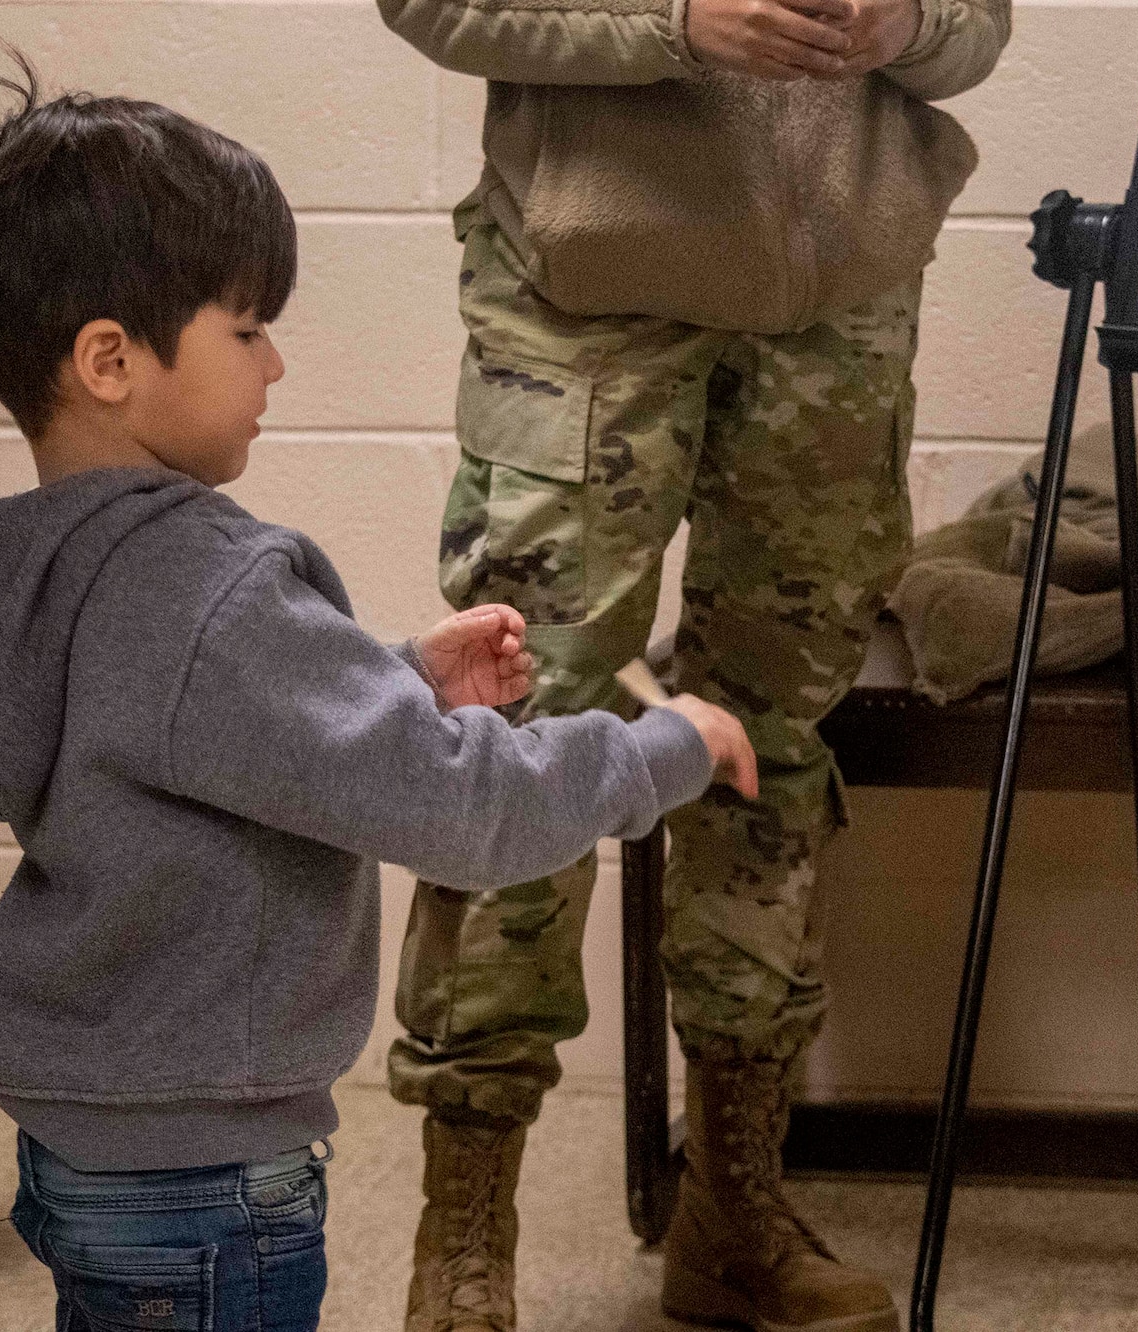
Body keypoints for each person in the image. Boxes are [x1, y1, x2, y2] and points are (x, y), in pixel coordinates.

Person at [0, 73, 756, 1332]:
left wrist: (393, 675)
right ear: (110, 359)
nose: (275, 360)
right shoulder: (214, 588)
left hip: (82, 1143)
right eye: (245, 327)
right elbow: (463, 810)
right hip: (210, 1171)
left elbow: (181, 727)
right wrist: (665, 746)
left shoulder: (1, 557)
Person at [373, 0, 1007, 1325]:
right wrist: (670, 22)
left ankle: (735, 1206)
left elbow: (978, 31)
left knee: (773, 746)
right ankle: (464, 1235)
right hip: (584, 295)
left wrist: (905, 27)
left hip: (838, 302)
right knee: (518, 732)